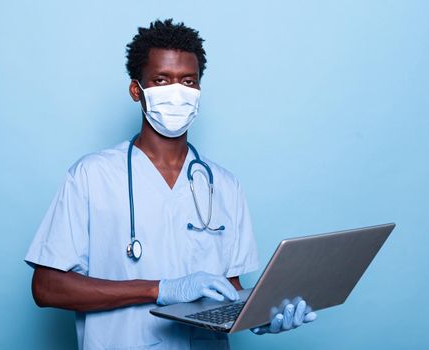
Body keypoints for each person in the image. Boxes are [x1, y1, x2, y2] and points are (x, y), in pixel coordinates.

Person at [25, 19, 316, 350]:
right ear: (138, 90)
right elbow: (46, 287)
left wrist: (262, 315)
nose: (176, 93)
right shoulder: (91, 176)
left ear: (198, 92)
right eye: (161, 80)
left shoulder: (223, 185)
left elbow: (229, 290)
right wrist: (157, 289)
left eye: (188, 81)